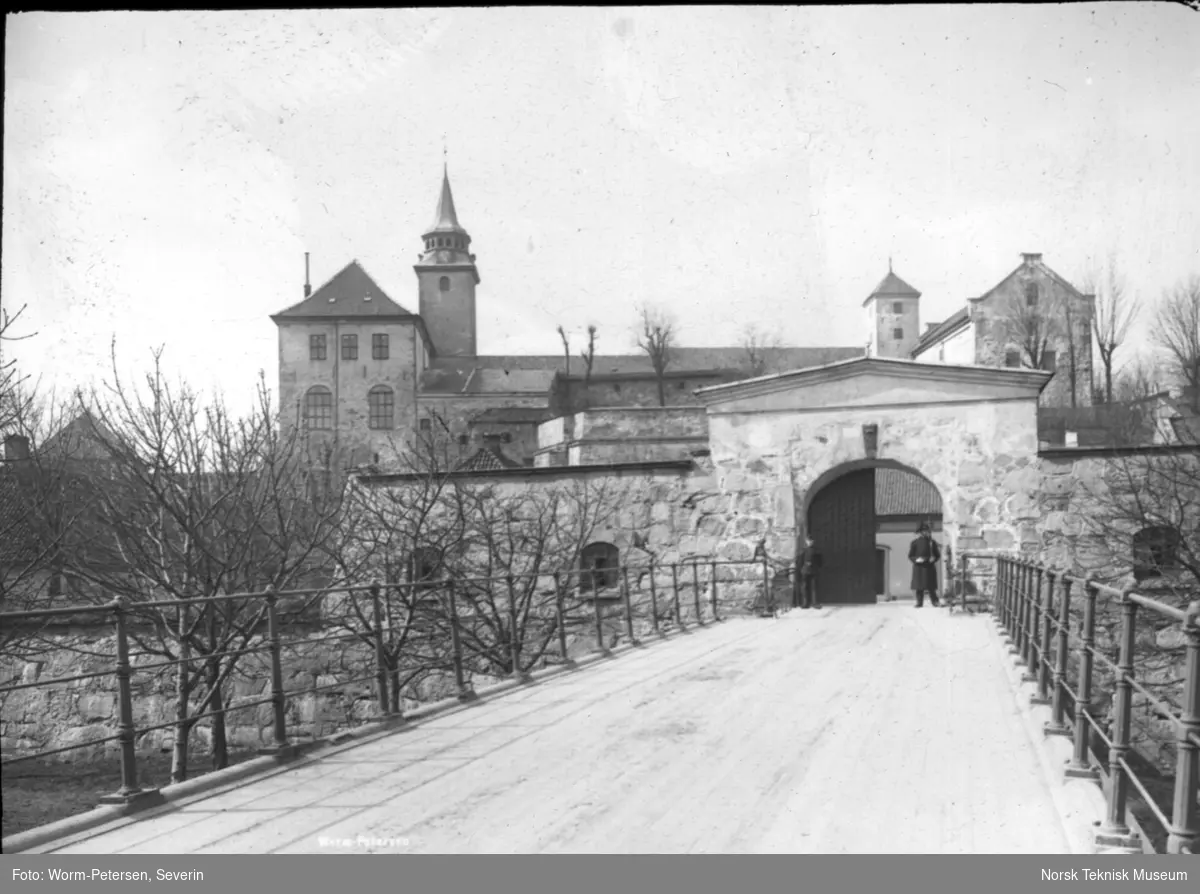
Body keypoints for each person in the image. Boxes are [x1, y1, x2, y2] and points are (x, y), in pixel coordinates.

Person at [908, 522, 941, 607]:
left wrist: (934, 559)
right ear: (920, 532)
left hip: (929, 566)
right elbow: (911, 556)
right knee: (919, 587)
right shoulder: (914, 543)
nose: (926, 532)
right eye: (924, 531)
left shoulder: (932, 542)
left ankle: (935, 601)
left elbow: (937, 555)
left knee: (931, 587)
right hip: (919, 567)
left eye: (927, 531)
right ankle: (919, 602)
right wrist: (916, 559)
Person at [796, 535, 822, 609]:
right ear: (806, 541)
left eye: (811, 541)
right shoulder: (803, 550)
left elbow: (820, 561)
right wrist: (801, 569)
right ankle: (805, 603)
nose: (809, 542)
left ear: (813, 541)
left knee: (814, 587)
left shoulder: (817, 551)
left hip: (814, 570)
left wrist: (815, 565)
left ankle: (815, 603)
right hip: (805, 570)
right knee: (804, 587)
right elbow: (800, 561)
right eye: (808, 541)